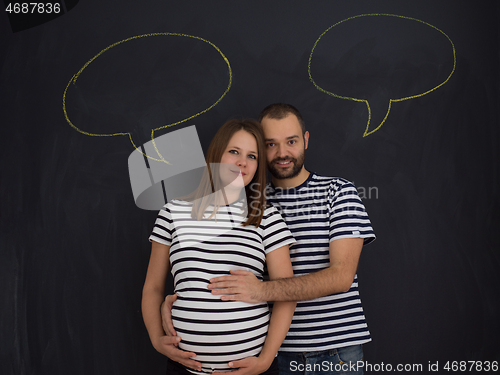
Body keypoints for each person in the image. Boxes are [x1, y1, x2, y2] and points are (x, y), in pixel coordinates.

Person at [162, 104, 376, 375]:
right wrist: (180, 304)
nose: (282, 153)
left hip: (334, 352)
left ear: (306, 140)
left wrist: (261, 290)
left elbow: (341, 277)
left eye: (291, 141)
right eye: (271, 144)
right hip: (275, 353)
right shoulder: (252, 203)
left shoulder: (338, 192)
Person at [142, 118, 296, 375]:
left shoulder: (266, 217)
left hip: (253, 369)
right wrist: (157, 340)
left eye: (252, 156)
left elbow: (286, 294)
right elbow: (153, 287)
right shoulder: (173, 212)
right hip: (185, 368)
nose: (242, 163)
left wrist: (265, 360)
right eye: (234, 151)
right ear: (216, 154)